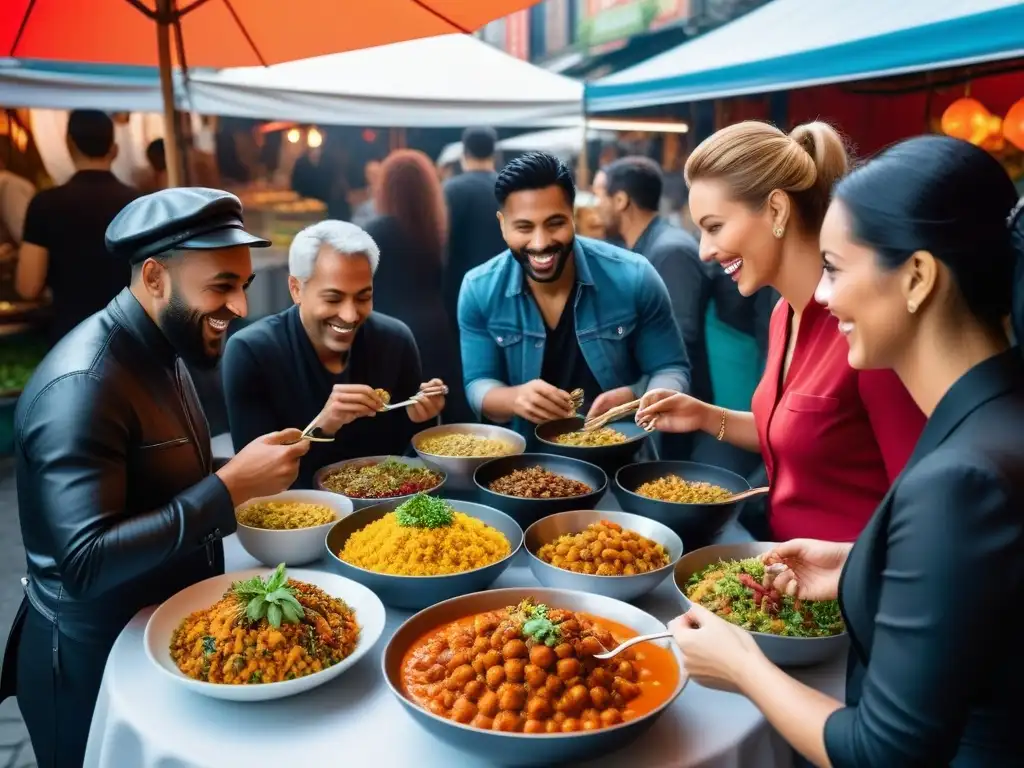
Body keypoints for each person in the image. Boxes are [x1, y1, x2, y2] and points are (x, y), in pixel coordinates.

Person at [669, 135, 1024, 767]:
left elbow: (884, 751)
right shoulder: (995, 418)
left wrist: (741, 664)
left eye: (835, 270)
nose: (825, 298)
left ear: (916, 278)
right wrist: (859, 564)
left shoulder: (960, 477)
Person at [0, 187, 311, 767]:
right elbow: (86, 560)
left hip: (158, 632)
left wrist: (236, 472)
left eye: (242, 286)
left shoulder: (162, 345)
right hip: (90, 664)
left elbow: (154, 477)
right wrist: (229, 487)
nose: (240, 307)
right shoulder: (82, 386)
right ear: (154, 277)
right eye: (220, 285)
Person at [636, 121, 925, 542]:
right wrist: (704, 415)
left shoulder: (866, 326)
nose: (704, 250)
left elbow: (919, 501)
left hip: (853, 593)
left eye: (714, 226)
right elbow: (801, 435)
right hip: (784, 576)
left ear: (776, 210)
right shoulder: (782, 314)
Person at [458, 151, 689, 438]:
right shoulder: (479, 288)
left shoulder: (635, 276)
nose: (540, 243)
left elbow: (672, 368)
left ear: (574, 215)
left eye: (555, 223)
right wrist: (515, 397)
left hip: (623, 456)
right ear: (502, 223)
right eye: (524, 227)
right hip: (523, 468)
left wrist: (637, 396)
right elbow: (478, 383)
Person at [222, 220, 446, 489]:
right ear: (296, 289)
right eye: (333, 299)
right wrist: (323, 427)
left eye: (363, 297)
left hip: (386, 515)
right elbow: (256, 481)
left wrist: (423, 419)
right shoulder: (251, 352)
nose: (350, 315)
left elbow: (411, 462)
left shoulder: (395, 340)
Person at [594, 157, 712, 411]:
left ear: (620, 200)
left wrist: (636, 391)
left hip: (681, 405)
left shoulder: (671, 251)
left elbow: (681, 340)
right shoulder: (639, 248)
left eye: (599, 196)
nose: (596, 206)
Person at [364, 150, 472, 424]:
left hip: (393, 326)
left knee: (398, 413)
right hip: (436, 328)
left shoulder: (377, 230)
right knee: (433, 409)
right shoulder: (434, 229)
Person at [15, 109, 140, 347]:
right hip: (131, 337)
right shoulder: (137, 203)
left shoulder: (45, 204)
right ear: (114, 149)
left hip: (70, 339)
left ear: (69, 144)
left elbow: (28, 285)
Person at [442, 126, 507, 335]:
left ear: (465, 153)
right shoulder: (509, 189)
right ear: (493, 153)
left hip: (459, 290)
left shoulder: (450, 190)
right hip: (504, 286)